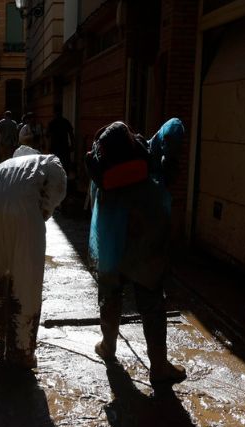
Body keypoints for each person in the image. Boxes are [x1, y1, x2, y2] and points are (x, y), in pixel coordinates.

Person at [88, 119, 186, 386]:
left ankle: (108, 347)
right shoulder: (146, 155)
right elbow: (173, 128)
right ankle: (158, 368)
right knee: (152, 303)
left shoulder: (102, 168)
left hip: (112, 244)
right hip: (146, 241)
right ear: (130, 138)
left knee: (110, 295)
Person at [0, 146, 67, 368]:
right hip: (24, 214)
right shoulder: (47, 160)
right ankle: (22, 352)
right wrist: (44, 209)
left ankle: (0, 337)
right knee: (26, 283)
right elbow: (58, 183)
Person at [47, 108, 75, 178]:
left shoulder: (52, 123)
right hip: (62, 147)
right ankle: (64, 178)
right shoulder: (65, 122)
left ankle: (60, 178)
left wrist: (49, 146)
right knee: (64, 165)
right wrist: (72, 145)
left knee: (58, 164)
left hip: (58, 147)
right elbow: (71, 134)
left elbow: (47, 136)